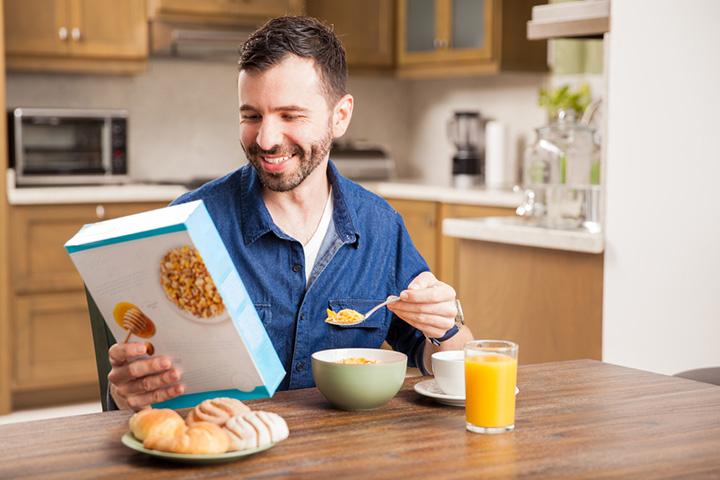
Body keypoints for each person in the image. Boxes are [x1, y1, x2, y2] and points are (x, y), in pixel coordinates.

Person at [107, 16, 473, 411]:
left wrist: (443, 326)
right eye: (252, 116)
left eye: (290, 116)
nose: (266, 139)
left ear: (340, 116)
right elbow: (135, 379)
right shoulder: (187, 228)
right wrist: (127, 393)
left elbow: (446, 361)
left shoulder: (380, 228)